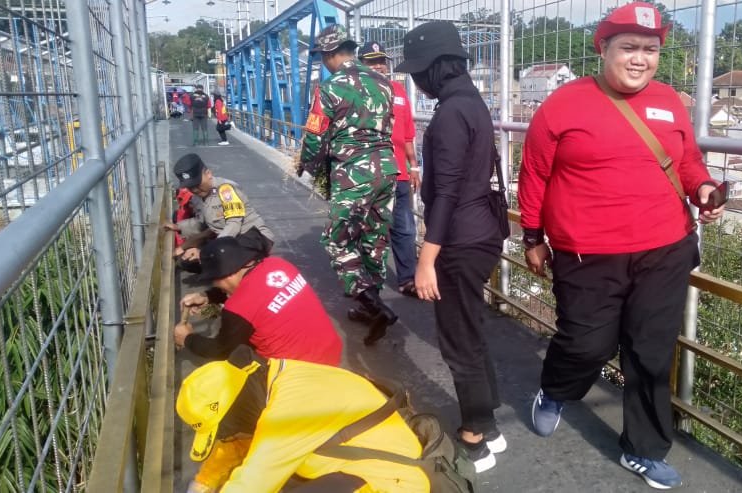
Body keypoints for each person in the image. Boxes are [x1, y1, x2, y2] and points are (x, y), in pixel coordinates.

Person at [517, 3, 725, 489]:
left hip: (665, 249)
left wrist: (703, 189)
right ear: (603, 48)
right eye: (629, 47)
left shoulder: (670, 100)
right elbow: (535, 174)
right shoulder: (563, 104)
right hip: (587, 254)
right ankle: (556, 390)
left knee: (650, 352)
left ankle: (644, 450)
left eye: (650, 50)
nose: (639, 59)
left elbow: (687, 162)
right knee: (586, 342)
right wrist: (532, 236)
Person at [394, 21, 507, 473]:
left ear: (436, 67)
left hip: (458, 239)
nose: (418, 82)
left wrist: (426, 259)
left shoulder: (449, 114)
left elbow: (448, 193)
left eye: (419, 72)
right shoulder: (471, 102)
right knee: (471, 332)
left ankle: (474, 440)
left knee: (458, 341)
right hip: (482, 233)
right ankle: (490, 425)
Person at [176, 348, 429, 492]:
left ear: (236, 410)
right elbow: (239, 442)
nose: (228, 436)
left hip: (391, 484)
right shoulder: (271, 378)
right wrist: (203, 482)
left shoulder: (285, 412)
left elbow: (253, 483)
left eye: (224, 429)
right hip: (361, 467)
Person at [297, 24, 399, 345]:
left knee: (337, 240)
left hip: (354, 174)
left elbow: (315, 137)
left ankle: (373, 304)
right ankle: (372, 304)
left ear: (329, 55)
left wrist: (308, 167)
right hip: (387, 169)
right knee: (374, 237)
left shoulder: (329, 88)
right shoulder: (384, 83)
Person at [173, 236, 343, 366]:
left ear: (224, 275)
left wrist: (187, 338)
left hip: (298, 373)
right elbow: (258, 295)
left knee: (234, 361)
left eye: (213, 280)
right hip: (330, 352)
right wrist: (207, 296)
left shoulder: (238, 308)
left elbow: (220, 349)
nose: (214, 284)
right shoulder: (277, 264)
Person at [358, 41, 421, 300]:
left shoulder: (399, 91)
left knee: (404, 228)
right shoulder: (354, 93)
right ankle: (367, 285)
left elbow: (407, 135)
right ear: (360, 65)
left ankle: (408, 279)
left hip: (399, 174)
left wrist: (414, 166)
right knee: (368, 229)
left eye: (381, 61)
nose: (378, 66)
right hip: (367, 175)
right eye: (371, 61)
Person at [165, 153, 274, 268]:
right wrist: (178, 227)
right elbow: (201, 222)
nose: (195, 189)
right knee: (189, 262)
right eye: (190, 186)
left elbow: (233, 224)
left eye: (197, 184)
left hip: (253, 238)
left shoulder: (226, 190)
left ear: (208, 174)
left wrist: (208, 251)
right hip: (231, 240)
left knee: (209, 259)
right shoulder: (199, 197)